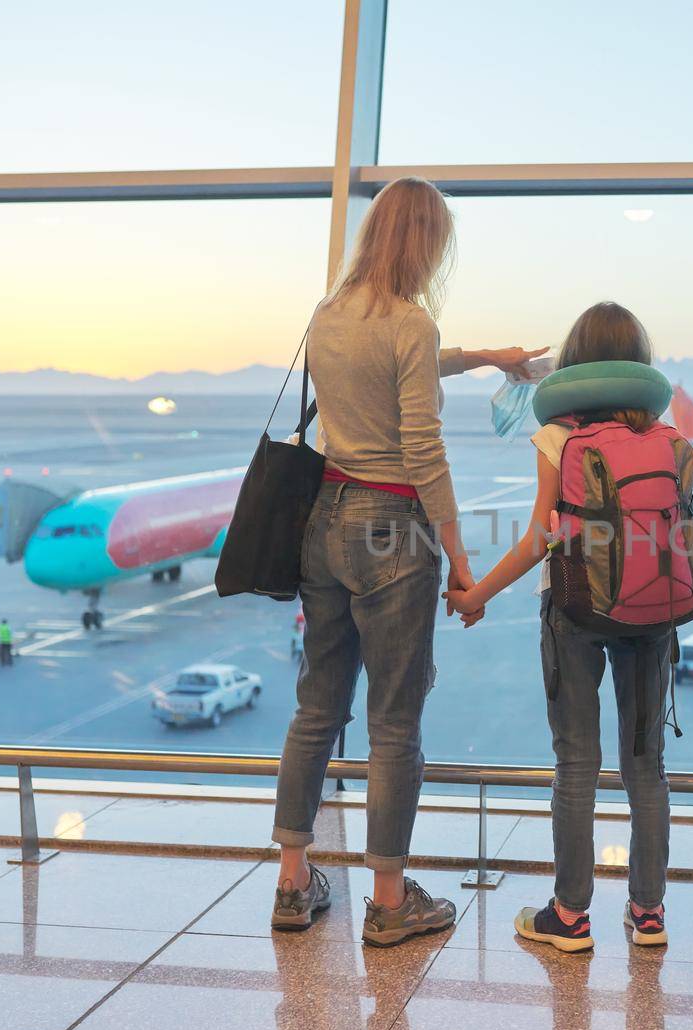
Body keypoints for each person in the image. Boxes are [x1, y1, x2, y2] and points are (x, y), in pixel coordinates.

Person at [269, 176, 545, 943]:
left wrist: (484, 355)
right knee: (395, 722)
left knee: (316, 705)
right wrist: (461, 562)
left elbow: (389, 362)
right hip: (392, 528)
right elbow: (423, 446)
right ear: (425, 243)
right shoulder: (410, 322)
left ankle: (293, 884)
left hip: (323, 523)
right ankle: (390, 902)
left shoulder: (328, 315)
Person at [444, 302, 674, 953]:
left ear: (576, 361)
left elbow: (542, 537)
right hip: (652, 612)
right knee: (646, 764)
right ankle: (648, 913)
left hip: (573, 610)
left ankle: (570, 917)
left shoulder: (559, 437)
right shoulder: (664, 428)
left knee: (577, 762)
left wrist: (476, 593)